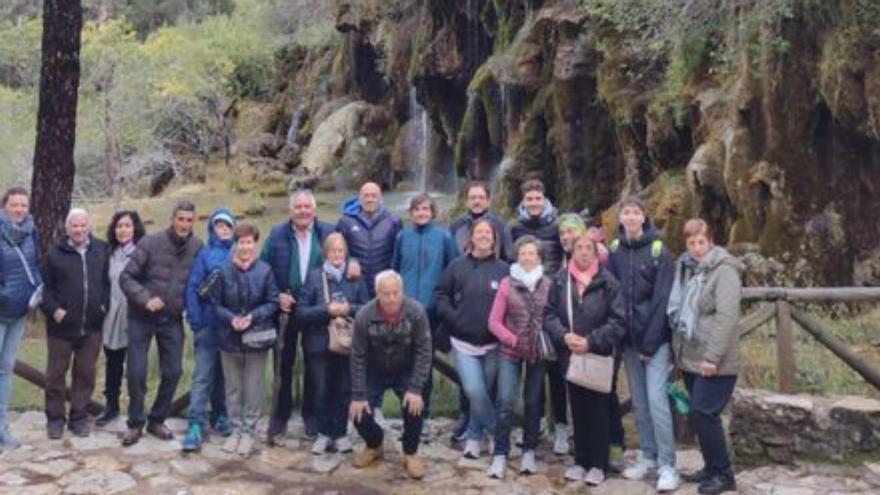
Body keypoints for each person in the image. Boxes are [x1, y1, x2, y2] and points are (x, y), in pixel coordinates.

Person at [607, 196, 680, 491]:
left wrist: (650, 342)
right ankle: (647, 456)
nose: (631, 217)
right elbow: (611, 293)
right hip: (628, 341)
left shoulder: (659, 250)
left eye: (636, 212)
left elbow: (663, 298)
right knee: (638, 402)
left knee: (657, 401)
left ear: (644, 216)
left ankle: (668, 465)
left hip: (655, 341)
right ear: (621, 218)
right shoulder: (615, 250)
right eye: (626, 212)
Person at [667, 219, 743, 495]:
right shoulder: (686, 268)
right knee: (699, 416)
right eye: (691, 243)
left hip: (715, 360)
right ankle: (711, 467)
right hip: (690, 356)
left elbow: (726, 318)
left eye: (701, 242)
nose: (697, 248)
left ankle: (724, 474)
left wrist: (712, 357)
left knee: (704, 412)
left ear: (711, 241)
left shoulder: (725, 271)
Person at [544, 233, 626, 487]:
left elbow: (618, 321)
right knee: (577, 409)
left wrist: (591, 340)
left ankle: (598, 464)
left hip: (597, 354)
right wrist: (564, 335)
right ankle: (581, 460)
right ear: (572, 252)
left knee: (600, 410)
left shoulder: (608, 282)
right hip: (570, 354)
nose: (582, 252)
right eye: (578, 247)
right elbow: (549, 314)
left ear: (595, 252)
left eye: (587, 248)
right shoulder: (560, 280)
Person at [120, 199, 203, 446]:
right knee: (136, 372)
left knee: (174, 371)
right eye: (180, 219)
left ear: (194, 221)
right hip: (141, 317)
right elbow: (126, 278)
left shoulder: (198, 247)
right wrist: (145, 298)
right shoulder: (151, 242)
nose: (184, 224)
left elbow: (201, 281)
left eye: (189, 220)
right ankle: (135, 423)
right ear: (172, 219)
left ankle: (157, 419)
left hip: (171, 319)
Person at [262, 189, 337, 443]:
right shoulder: (276, 235)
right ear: (290, 210)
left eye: (307, 207)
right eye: (298, 207)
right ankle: (280, 416)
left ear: (314, 210)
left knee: (316, 365)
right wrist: (277, 296)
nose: (303, 211)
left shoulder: (327, 232)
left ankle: (312, 417)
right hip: (288, 309)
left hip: (317, 310)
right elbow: (264, 270)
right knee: (283, 363)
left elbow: (342, 260)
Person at [435, 219, 508, 459]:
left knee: (484, 393)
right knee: (474, 390)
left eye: (488, 232)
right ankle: (498, 433)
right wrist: (454, 318)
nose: (484, 235)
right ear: (471, 237)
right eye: (480, 232)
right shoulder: (458, 266)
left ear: (494, 238)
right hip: (463, 343)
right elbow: (441, 294)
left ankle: (475, 439)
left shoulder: (503, 269)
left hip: (493, 344)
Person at [349, 270, 432, 480]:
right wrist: (358, 394)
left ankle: (410, 453)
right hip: (374, 370)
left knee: (415, 405)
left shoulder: (416, 312)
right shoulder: (364, 316)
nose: (392, 298)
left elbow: (424, 350)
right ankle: (375, 443)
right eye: (386, 293)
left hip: (405, 369)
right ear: (377, 293)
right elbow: (357, 355)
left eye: (396, 292)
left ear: (402, 291)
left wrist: (415, 388)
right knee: (356, 410)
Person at [39, 209, 110, 439]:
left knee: (85, 375)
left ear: (88, 226)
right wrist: (55, 310)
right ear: (67, 228)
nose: (79, 230)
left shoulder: (101, 249)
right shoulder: (55, 253)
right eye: (74, 226)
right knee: (56, 375)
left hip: (91, 327)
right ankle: (55, 419)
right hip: (61, 328)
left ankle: (78, 418)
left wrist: (104, 307)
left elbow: (107, 283)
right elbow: (45, 289)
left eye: (83, 225)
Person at [392, 193, 458, 438]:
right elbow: (394, 269)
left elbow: (453, 274)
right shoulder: (402, 236)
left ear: (433, 212)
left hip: (431, 312)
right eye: (417, 209)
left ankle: (424, 419)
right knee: (402, 363)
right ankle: (408, 417)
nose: (421, 213)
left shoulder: (443, 237)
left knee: (424, 364)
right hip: (403, 310)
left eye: (426, 209)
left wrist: (445, 309)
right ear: (411, 213)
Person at [487, 236, 553, 478]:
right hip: (510, 351)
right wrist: (514, 340)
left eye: (531, 253)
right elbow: (494, 322)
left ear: (539, 257)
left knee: (534, 402)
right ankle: (500, 454)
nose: (527, 257)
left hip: (537, 352)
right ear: (517, 256)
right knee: (505, 402)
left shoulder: (548, 283)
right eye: (523, 253)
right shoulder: (507, 283)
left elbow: (552, 319)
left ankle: (528, 451)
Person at [297, 233, 369, 455]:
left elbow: (367, 309)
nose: (337, 255)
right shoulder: (313, 277)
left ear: (345, 253)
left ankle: (340, 433)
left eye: (340, 251)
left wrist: (348, 309)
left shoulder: (355, 278)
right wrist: (325, 310)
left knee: (343, 389)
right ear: (325, 253)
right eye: (332, 251)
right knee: (320, 389)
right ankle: (322, 433)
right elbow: (301, 313)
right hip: (318, 344)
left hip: (346, 345)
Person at [212, 223, 279, 457]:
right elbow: (215, 304)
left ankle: (249, 431)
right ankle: (235, 430)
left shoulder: (265, 271)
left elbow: (273, 302)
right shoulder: (223, 271)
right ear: (236, 244)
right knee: (233, 388)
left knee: (253, 387)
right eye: (241, 242)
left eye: (249, 242)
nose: (245, 247)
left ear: (255, 244)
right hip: (228, 338)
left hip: (256, 338)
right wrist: (231, 319)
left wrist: (253, 317)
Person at [182, 208, 236, 451]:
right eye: (219, 226)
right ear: (212, 228)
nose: (223, 230)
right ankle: (195, 422)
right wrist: (197, 323)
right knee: (203, 375)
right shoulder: (205, 255)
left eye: (227, 226)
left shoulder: (239, 253)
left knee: (224, 377)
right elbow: (193, 289)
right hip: (207, 326)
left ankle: (220, 415)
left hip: (231, 329)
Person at [0, 187, 41, 451]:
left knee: (5, 371)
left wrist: (37, 287)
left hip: (19, 312)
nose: (18, 209)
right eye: (14, 205)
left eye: (23, 205)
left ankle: (1, 428)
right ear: (4, 207)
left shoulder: (31, 231)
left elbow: (34, 263)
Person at [96, 209, 146, 427]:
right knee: (113, 362)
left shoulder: (143, 252)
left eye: (127, 225)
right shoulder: (109, 253)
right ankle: (111, 406)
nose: (123, 230)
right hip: (112, 314)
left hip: (135, 314)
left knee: (135, 367)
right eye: (119, 226)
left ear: (135, 228)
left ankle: (137, 411)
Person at [337, 182, 402, 297]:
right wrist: (349, 261)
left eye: (373, 196)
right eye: (366, 196)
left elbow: (398, 253)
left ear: (380, 198)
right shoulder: (345, 222)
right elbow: (336, 249)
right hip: (355, 282)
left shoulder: (393, 221)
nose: (370, 199)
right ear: (359, 198)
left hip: (383, 283)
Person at [448, 181, 513, 262]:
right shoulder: (456, 226)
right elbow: (450, 258)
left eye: (481, 198)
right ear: (466, 202)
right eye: (473, 198)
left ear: (488, 201)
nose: (477, 201)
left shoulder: (501, 226)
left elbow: (508, 258)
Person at [510, 179, 563, 274]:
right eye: (529, 199)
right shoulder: (514, 228)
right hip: (522, 282)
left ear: (545, 200)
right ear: (523, 202)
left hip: (552, 281)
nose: (534, 203)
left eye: (538, 198)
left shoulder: (558, 226)